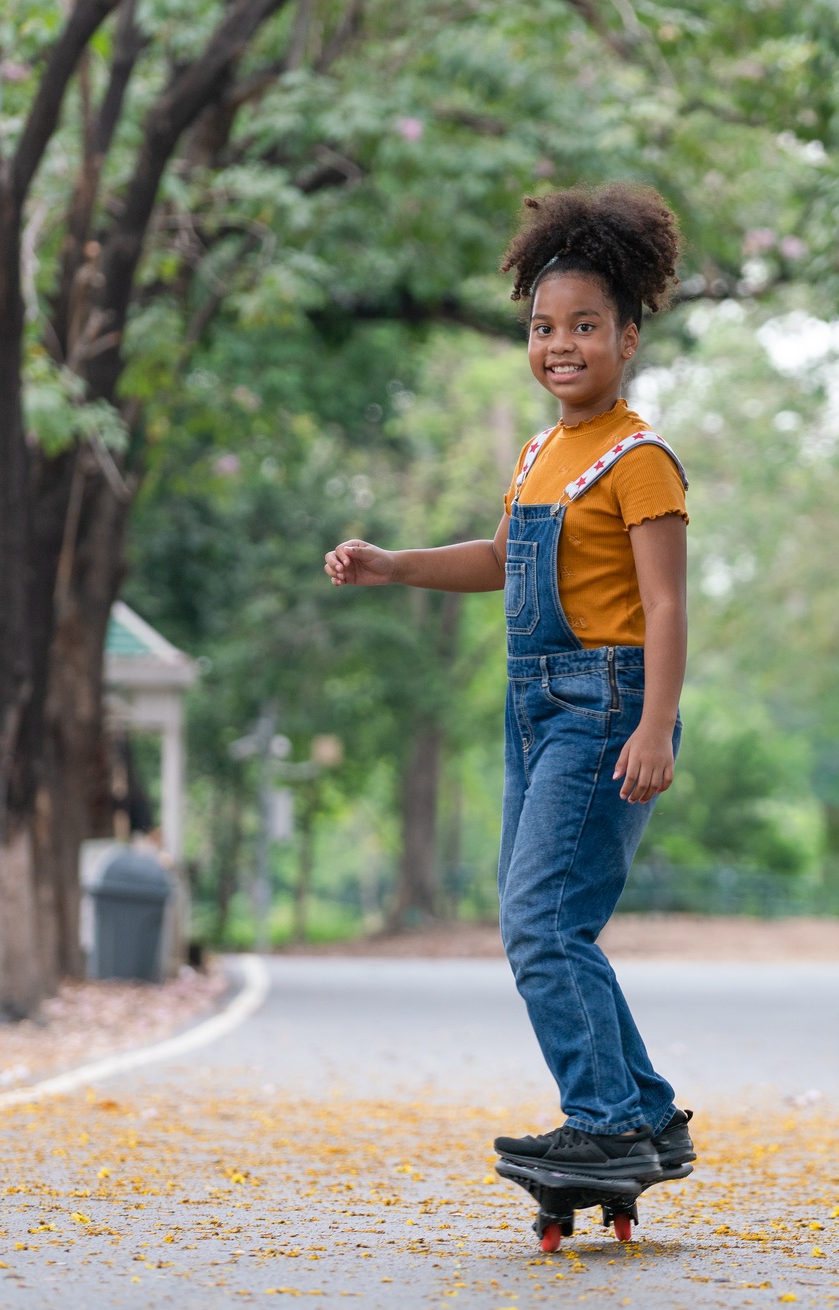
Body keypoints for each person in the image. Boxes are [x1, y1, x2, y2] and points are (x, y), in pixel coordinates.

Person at [323, 184, 694, 1184]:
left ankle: (607, 1123)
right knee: (553, 924)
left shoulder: (639, 458)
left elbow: (663, 605)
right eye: (541, 326)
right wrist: (395, 562)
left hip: (605, 704)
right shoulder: (538, 453)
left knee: (536, 924)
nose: (559, 343)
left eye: (583, 325)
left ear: (626, 335)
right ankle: (647, 1114)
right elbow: (500, 560)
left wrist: (654, 724)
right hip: (530, 706)